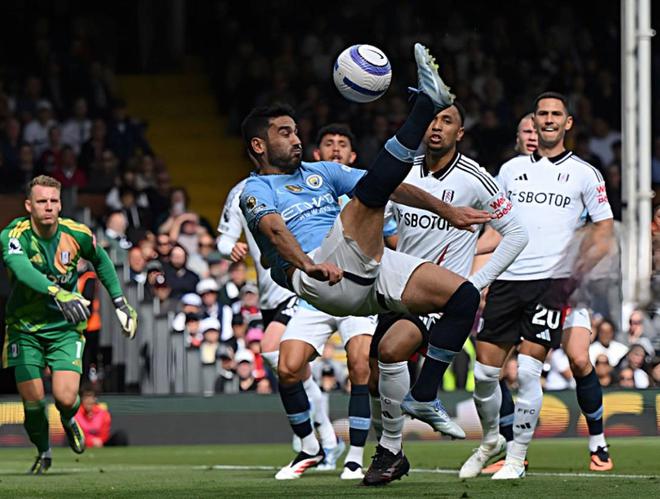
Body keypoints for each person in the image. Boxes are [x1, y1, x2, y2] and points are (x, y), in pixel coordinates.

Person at [239, 44, 490, 478]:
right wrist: (307, 266)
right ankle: (424, 106)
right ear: (259, 145)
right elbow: (276, 231)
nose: (296, 139)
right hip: (320, 274)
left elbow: (389, 184)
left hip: (362, 263)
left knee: (463, 297)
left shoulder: (321, 172)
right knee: (369, 198)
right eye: (284, 133)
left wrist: (446, 210)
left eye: (296, 131)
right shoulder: (255, 190)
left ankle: (424, 395)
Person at [363, 103, 528, 486]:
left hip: (439, 296)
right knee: (373, 377)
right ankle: (392, 453)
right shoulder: (402, 171)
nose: (437, 127)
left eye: (447, 121)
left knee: (392, 349)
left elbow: (517, 234)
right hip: (395, 287)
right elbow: (379, 219)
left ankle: (391, 448)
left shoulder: (476, 178)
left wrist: (474, 283)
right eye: (433, 119)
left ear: (460, 133)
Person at [459, 92, 615, 480]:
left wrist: (578, 272)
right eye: (540, 115)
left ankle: (581, 444)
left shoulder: (584, 173)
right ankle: (496, 441)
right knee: (486, 373)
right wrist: (473, 265)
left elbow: (603, 230)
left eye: (555, 114)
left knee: (568, 360)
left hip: (557, 284)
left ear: (567, 122)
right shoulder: (510, 171)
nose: (546, 121)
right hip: (510, 281)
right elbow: (498, 229)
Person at [0, 175, 137, 474]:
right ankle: (44, 450)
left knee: (64, 397)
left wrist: (119, 302)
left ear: (60, 204)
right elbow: (21, 270)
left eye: (54, 201)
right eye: (41, 201)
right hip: (24, 328)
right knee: (33, 400)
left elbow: (101, 260)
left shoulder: (76, 234)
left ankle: (68, 418)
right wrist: (57, 291)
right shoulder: (14, 235)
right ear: (28, 205)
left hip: (64, 328)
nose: (48, 206)